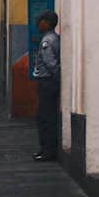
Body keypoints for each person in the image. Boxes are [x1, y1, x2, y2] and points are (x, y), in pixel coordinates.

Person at [32, 11, 61, 162]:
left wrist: (55, 80)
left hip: (47, 82)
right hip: (48, 82)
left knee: (45, 118)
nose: (38, 23)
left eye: (41, 21)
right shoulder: (53, 38)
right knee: (45, 117)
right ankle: (45, 149)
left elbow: (51, 65)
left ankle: (48, 150)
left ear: (47, 23)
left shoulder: (47, 41)